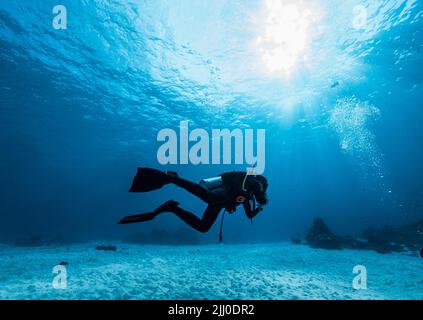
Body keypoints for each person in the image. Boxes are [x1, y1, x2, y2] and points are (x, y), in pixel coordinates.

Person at [118, 168, 268, 235]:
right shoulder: (252, 184)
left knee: (203, 227)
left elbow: (249, 215)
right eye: (261, 189)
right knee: (209, 197)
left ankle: (172, 208)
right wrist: (262, 198)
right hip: (223, 191)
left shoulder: (248, 196)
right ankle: (172, 178)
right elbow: (255, 189)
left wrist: (259, 209)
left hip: (220, 202)